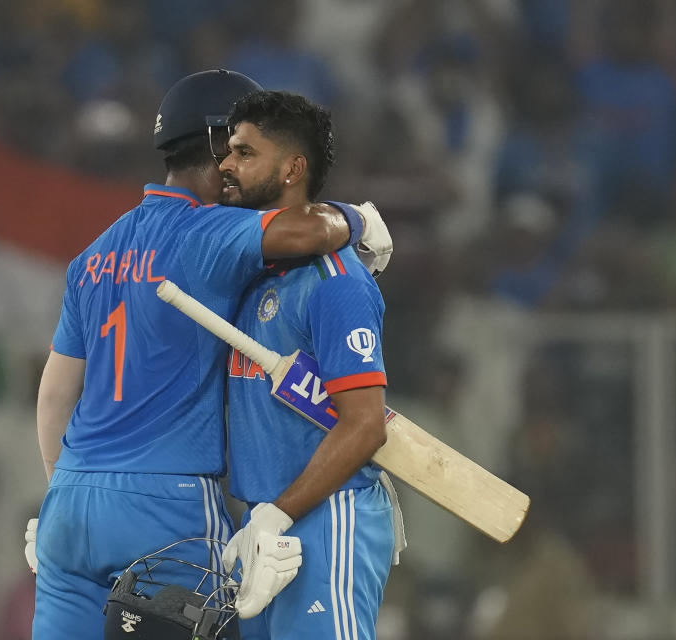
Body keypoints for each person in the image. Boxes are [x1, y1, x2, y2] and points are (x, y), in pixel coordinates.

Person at [31, 69, 390, 640]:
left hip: (72, 497)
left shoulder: (93, 256)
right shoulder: (207, 232)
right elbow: (306, 233)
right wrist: (361, 218)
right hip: (166, 502)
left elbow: (53, 396)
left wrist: (61, 496)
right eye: (236, 149)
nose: (232, 167)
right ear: (219, 143)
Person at [218, 91, 401, 639]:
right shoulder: (256, 272)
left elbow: (365, 424)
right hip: (264, 529)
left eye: (246, 153)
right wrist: (263, 519)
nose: (226, 164)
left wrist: (279, 514)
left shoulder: (336, 282)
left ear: (293, 168)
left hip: (326, 520)